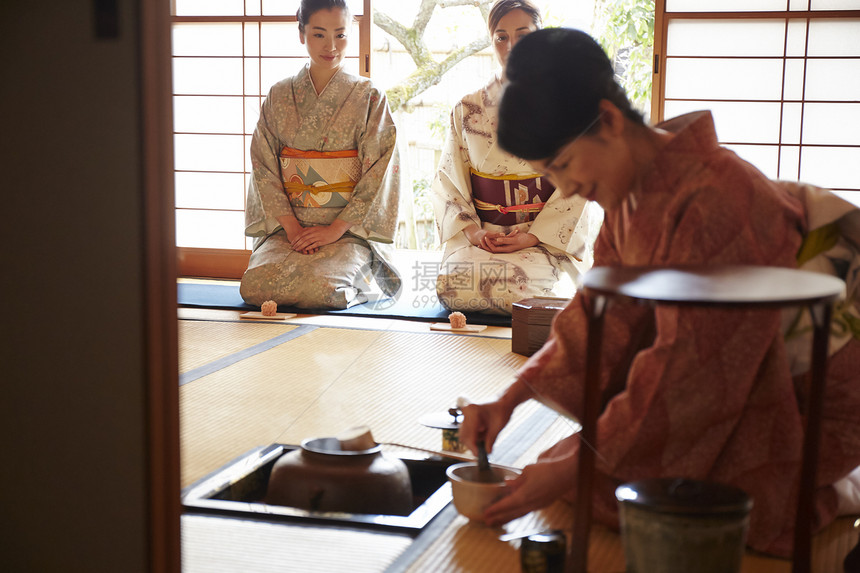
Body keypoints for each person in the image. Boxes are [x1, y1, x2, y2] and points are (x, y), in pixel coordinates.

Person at [459, 27, 860, 557]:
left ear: (608, 119)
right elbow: (598, 321)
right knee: (575, 469)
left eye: (561, 165)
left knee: (638, 498)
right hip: (730, 369)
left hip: (810, 396)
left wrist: (574, 469)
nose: (565, 188)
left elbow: (691, 375)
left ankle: (837, 485)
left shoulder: (717, 196)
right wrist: (511, 397)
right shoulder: (632, 196)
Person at [429, 0, 600, 315]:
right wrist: (475, 232)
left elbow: (578, 182)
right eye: (501, 37)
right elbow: (448, 180)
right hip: (483, 238)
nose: (512, 46)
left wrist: (533, 236)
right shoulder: (468, 109)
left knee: (523, 290)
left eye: (523, 35)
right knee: (453, 287)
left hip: (542, 239)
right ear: (492, 40)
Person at [241, 0, 401, 309]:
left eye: (340, 35)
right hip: (290, 228)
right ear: (301, 33)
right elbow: (263, 165)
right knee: (257, 288)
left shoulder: (369, 96)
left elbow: (379, 170)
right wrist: (292, 228)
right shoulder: (279, 95)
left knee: (323, 291)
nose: (331, 46)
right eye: (318, 35)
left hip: (346, 230)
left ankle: (363, 276)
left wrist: (334, 230)